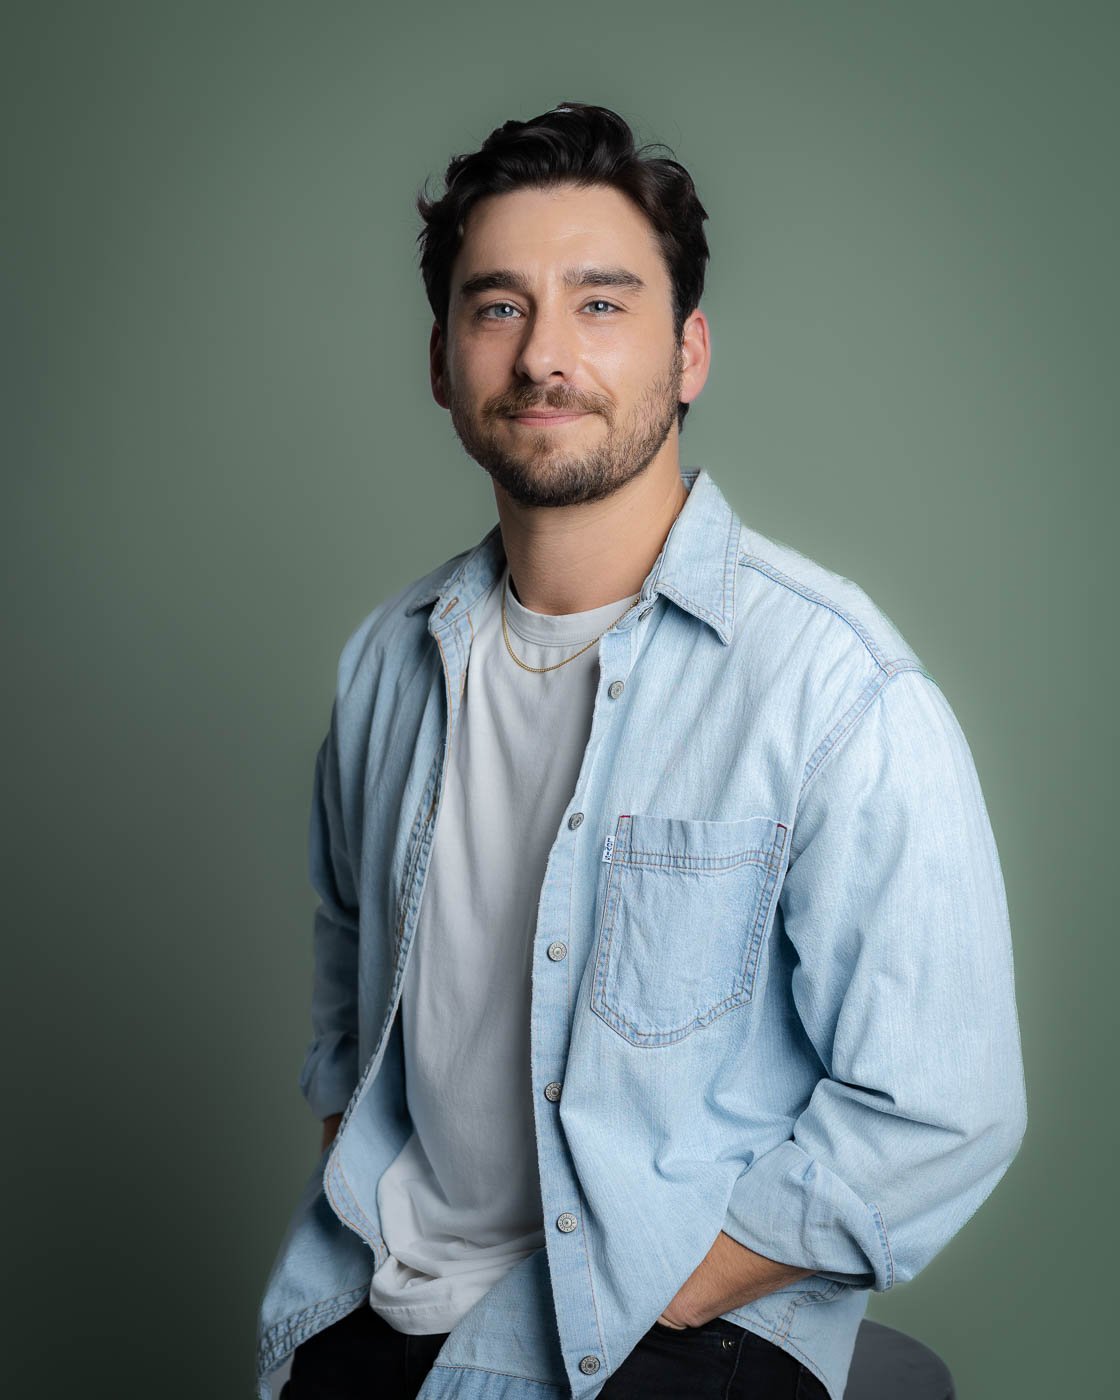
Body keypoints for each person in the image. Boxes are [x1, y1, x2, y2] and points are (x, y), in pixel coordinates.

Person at [255, 102, 1027, 1400]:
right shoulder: (384, 663)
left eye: (602, 305)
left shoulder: (832, 687)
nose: (546, 355)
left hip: (673, 1334)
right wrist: (352, 1132)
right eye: (498, 307)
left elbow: (945, 1109)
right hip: (377, 1301)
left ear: (690, 352)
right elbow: (350, 944)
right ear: (442, 362)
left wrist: (689, 1275)